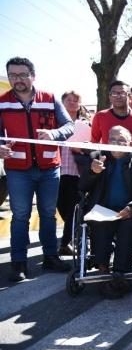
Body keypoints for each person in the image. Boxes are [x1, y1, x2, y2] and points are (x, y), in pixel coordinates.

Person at [0, 57, 74, 282]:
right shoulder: (2, 102)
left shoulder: (50, 99)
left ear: (33, 75)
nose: (17, 80)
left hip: (49, 168)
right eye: (13, 75)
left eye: (22, 75)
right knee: (20, 216)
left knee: (48, 214)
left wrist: (54, 134)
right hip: (17, 169)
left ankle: (51, 256)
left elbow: (69, 126)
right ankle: (18, 263)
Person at [79, 126, 132, 299]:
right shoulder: (96, 158)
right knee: (100, 224)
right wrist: (92, 173)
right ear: (106, 141)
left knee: (128, 226)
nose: (116, 144)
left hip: (130, 210)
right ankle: (103, 268)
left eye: (121, 141)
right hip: (103, 209)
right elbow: (82, 187)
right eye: (113, 140)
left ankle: (121, 272)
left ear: (131, 144)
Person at [57, 90, 91, 256]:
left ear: (80, 104)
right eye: (68, 100)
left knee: (72, 208)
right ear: (62, 103)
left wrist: (83, 147)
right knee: (62, 207)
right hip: (55, 171)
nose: (72, 103)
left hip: (76, 172)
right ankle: (74, 235)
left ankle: (65, 243)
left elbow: (92, 146)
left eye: (75, 100)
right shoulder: (55, 123)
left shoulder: (85, 124)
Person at [91, 80, 132, 147]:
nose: (118, 96)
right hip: (107, 157)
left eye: (122, 93)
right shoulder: (100, 116)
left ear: (129, 96)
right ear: (110, 97)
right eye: (114, 93)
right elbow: (94, 142)